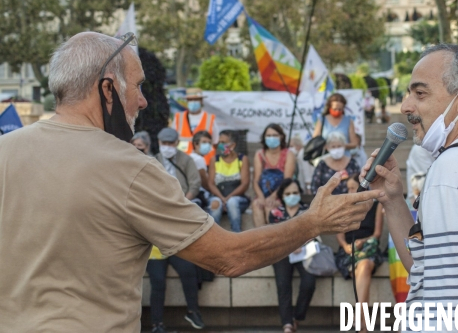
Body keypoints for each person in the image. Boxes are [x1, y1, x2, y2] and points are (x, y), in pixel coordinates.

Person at [0, 32, 381, 331]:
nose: (144, 102)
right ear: (106, 89)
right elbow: (228, 257)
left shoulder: (6, 150)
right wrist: (313, 222)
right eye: (137, 87)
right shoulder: (130, 167)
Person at [362, 44, 458, 330]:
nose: (406, 106)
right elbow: (429, 268)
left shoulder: (453, 172)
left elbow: (450, 314)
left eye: (420, 94)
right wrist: (393, 199)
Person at [335, 175, 384, 333]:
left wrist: (363, 242)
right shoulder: (343, 207)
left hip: (368, 248)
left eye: (352, 187)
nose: (349, 191)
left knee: (364, 264)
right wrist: (346, 246)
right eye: (347, 188)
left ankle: (359, 317)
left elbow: (377, 234)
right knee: (363, 265)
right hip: (348, 250)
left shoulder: (375, 206)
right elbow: (340, 236)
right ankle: (362, 324)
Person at [269, 179, 316, 333]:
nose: (292, 196)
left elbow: (314, 233)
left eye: (295, 193)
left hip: (303, 253)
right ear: (282, 195)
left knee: (309, 282)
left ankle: (298, 317)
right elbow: (273, 236)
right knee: (283, 285)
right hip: (281, 253)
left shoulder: (307, 211)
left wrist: (300, 244)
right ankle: (287, 324)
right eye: (288, 193)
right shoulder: (275, 213)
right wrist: (289, 246)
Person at [252, 124, 296, 228]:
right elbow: (255, 180)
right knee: (256, 205)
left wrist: (273, 197)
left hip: (282, 194)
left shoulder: (288, 154)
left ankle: (273, 241)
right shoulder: (259, 154)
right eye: (269, 135)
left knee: (270, 206)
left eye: (275, 135)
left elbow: (287, 181)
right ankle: (261, 240)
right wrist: (261, 197)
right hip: (263, 193)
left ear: (281, 136)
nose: (271, 138)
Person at [206, 130, 251, 232]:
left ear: (232, 145)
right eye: (219, 142)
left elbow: (244, 184)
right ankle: (214, 236)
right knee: (215, 204)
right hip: (219, 196)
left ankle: (237, 235)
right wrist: (222, 198)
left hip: (238, 198)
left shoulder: (242, 159)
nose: (220, 145)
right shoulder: (215, 160)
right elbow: (211, 184)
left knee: (232, 203)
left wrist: (228, 198)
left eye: (223, 142)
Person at [155, 127, 201, 201]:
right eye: (164, 143)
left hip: (183, 199)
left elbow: (195, 184)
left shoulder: (187, 160)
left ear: (177, 142)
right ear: (159, 142)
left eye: (170, 143)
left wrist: (185, 202)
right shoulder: (154, 160)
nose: (167, 147)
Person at [172, 88, 219, 155]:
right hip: (184, 161)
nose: (193, 102)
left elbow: (215, 142)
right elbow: (173, 140)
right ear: (187, 101)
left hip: (205, 160)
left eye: (196, 99)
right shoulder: (178, 118)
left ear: (201, 101)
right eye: (190, 100)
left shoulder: (210, 118)